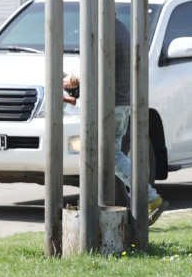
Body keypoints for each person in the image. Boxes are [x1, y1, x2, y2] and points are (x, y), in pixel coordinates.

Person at [62, 18, 167, 225]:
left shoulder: (106, 31)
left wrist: (74, 79)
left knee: (111, 156)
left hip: (111, 105)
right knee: (111, 157)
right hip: (119, 103)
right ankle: (133, 207)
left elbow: (97, 69)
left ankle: (150, 198)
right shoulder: (119, 28)